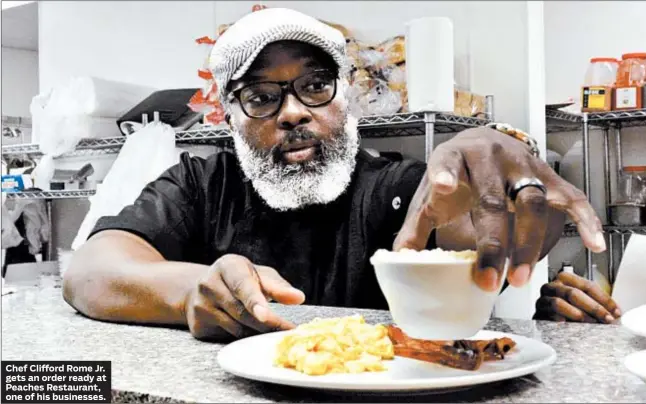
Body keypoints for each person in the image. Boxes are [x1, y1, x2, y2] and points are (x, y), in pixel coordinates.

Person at [62, 8, 606, 341]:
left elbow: (485, 224)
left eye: (316, 86)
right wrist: (191, 291)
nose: (294, 112)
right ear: (229, 120)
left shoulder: (393, 188)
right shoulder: (203, 185)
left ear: (347, 100)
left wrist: (494, 164)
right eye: (261, 97)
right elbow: (89, 272)